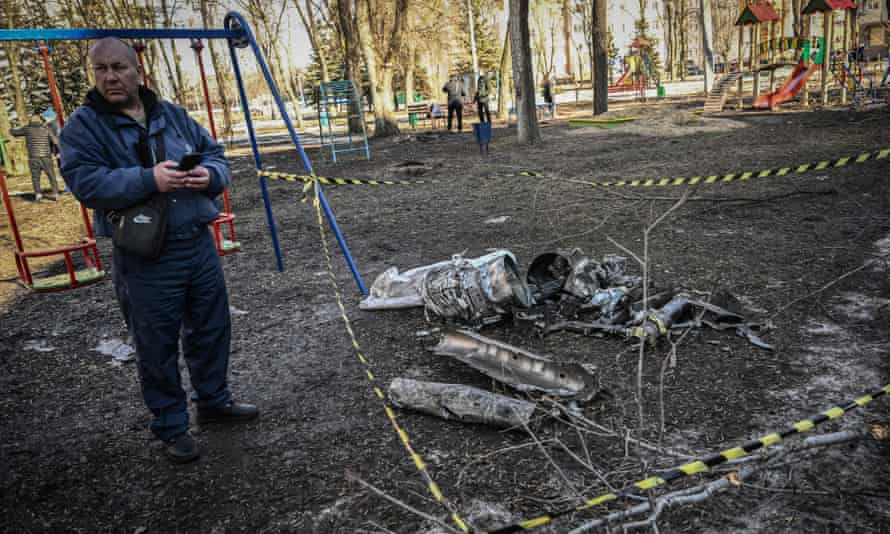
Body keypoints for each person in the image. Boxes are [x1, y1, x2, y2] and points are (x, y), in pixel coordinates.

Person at [60, 37, 257, 464]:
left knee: (210, 327)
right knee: (156, 343)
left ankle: (213, 401)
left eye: (119, 67)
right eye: (101, 69)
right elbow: (85, 182)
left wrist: (208, 175)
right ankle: (171, 425)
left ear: (137, 70)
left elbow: (217, 155)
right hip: (145, 254)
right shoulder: (84, 125)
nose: (110, 76)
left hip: (196, 242)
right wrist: (149, 179)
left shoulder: (170, 114)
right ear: (94, 74)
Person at [11, 114, 61, 201]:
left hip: (33, 157)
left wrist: (11, 127)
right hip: (46, 156)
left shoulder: (27, 129)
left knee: (35, 177)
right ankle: (56, 194)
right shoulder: (46, 128)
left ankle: (38, 194)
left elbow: (14, 133)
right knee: (51, 175)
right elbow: (56, 141)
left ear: (30, 121)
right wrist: (58, 152)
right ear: (40, 120)